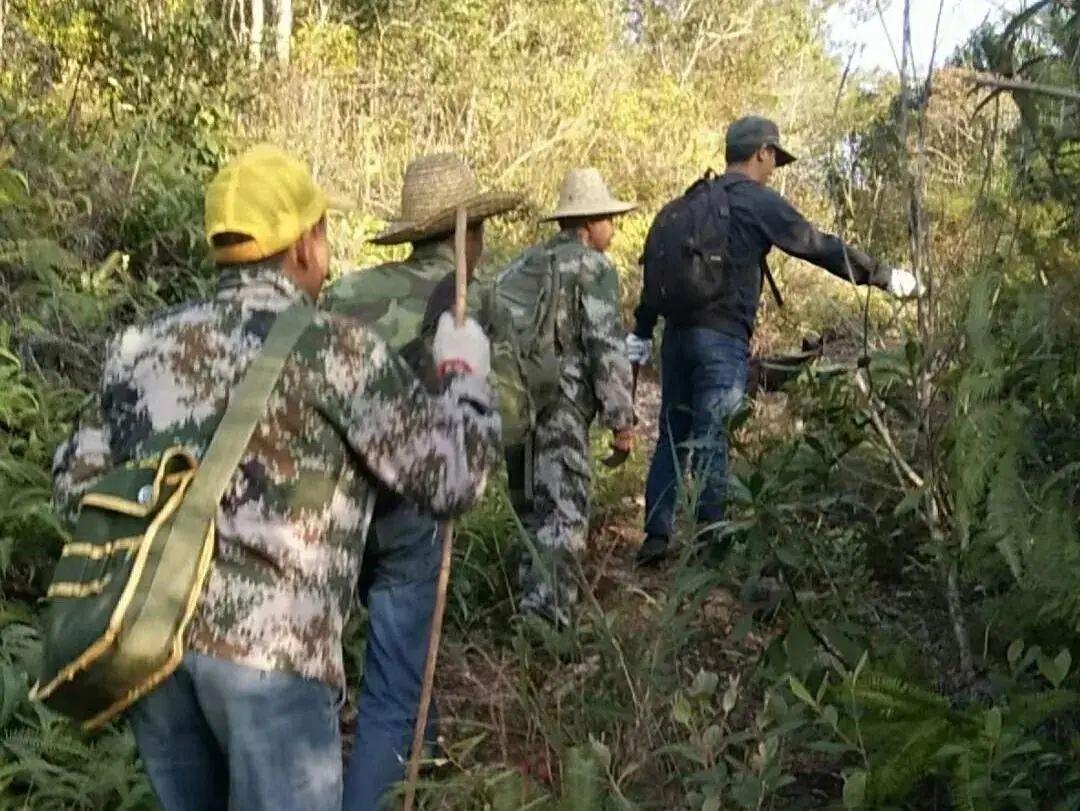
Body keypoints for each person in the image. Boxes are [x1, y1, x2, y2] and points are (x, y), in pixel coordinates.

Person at [51, 145, 499, 811]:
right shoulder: (337, 349)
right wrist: (466, 377)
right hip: (273, 656)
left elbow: (75, 485)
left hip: (154, 650)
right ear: (304, 247)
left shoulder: (142, 347)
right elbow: (453, 480)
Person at [628, 116, 919, 566]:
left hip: (675, 337)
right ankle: (713, 547)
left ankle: (656, 537)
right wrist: (882, 276)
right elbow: (815, 245)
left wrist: (642, 331)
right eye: (774, 159)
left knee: (671, 435)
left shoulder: (688, 201)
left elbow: (656, 274)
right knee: (711, 438)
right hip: (720, 341)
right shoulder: (754, 202)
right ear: (761, 152)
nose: (774, 169)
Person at [322, 152, 520, 811]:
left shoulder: (347, 291)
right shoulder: (474, 301)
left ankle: (420, 755)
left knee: (327, 675)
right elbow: (501, 407)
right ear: (472, 235)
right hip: (412, 497)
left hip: (330, 497)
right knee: (393, 685)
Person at [499, 168, 636, 625]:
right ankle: (546, 621)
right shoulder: (593, 267)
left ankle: (526, 605)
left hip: (517, 403)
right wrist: (622, 420)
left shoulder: (522, 264)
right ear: (587, 225)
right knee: (565, 513)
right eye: (608, 220)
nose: (612, 229)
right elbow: (606, 345)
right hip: (561, 405)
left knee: (532, 510)